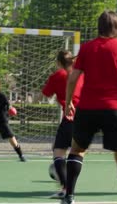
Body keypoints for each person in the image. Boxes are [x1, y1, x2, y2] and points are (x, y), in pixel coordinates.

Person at [61, 10, 117, 204]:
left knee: (76, 150)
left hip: (88, 109)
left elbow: (72, 79)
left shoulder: (86, 48)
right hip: (116, 110)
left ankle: (69, 196)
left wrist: (68, 104)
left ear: (99, 27)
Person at [35, 50, 84, 199]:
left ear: (58, 63)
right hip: (86, 117)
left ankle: (65, 188)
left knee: (58, 151)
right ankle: (68, 188)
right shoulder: (81, 74)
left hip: (71, 117)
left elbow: (43, 95)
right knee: (76, 152)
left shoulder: (58, 76)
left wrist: (33, 98)